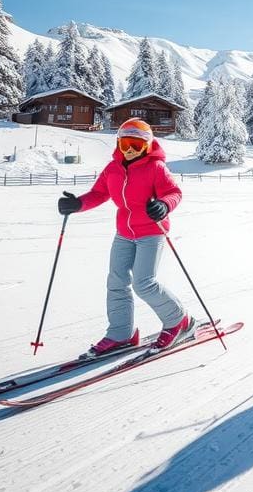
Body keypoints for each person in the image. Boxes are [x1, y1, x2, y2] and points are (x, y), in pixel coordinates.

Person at [57, 118, 194, 357]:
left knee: (144, 283)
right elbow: (99, 193)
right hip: (124, 233)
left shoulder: (156, 168)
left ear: (148, 146)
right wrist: (78, 204)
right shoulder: (113, 168)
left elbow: (174, 192)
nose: (130, 149)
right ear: (118, 144)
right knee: (116, 282)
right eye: (125, 144)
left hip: (151, 231)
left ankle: (178, 321)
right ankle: (121, 334)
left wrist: (163, 205)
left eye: (137, 145)